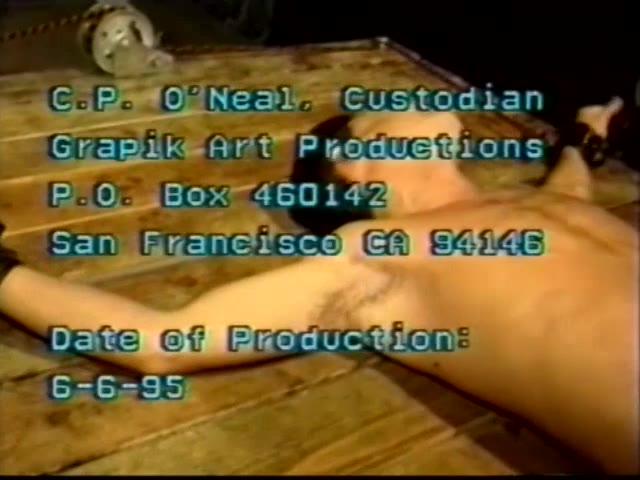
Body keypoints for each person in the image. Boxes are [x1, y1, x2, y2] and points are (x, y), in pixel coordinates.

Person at [0, 99, 637, 474]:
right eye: (385, 107)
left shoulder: (528, 207)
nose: (406, 101)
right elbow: (163, 342)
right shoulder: (379, 258)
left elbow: (569, 191)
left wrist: (584, 140)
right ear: (356, 160)